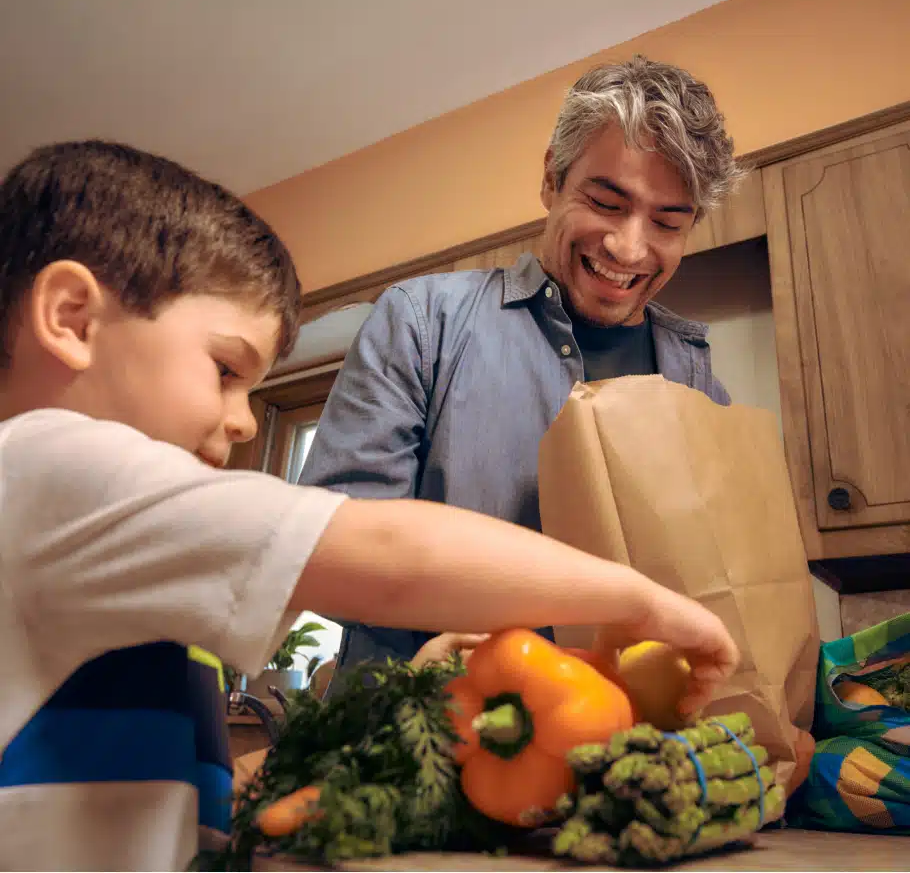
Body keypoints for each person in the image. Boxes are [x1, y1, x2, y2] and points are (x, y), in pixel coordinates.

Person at [0, 140, 737, 871]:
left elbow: (129, 798)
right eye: (225, 369)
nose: (247, 421)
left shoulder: (104, 544)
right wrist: (640, 602)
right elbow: (391, 556)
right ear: (71, 316)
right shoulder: (44, 467)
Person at [301, 55, 746, 678]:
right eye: (606, 202)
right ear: (552, 180)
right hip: (417, 742)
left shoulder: (695, 381)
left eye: (668, 223)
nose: (628, 247)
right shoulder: (423, 322)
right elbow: (331, 553)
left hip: (622, 752)